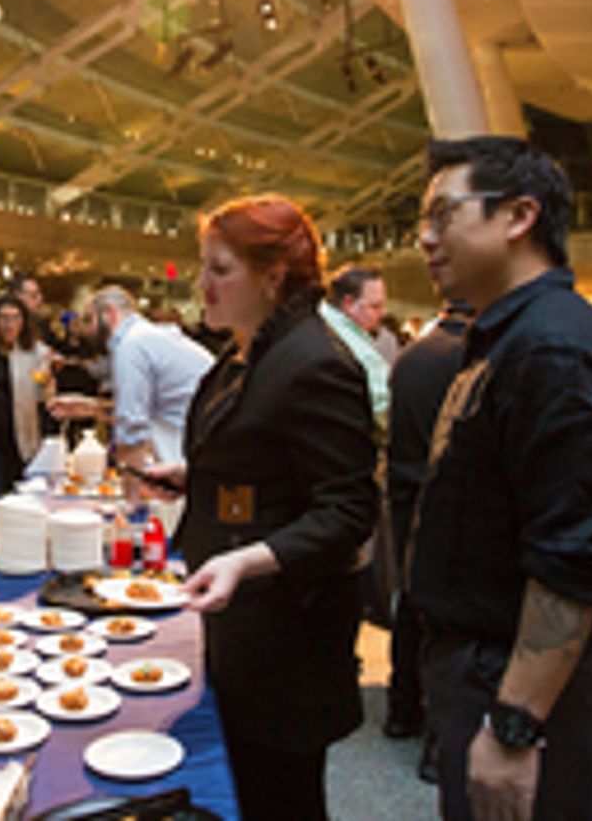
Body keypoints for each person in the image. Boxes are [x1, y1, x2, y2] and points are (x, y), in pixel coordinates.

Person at [411, 136, 592, 821]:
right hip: (485, 667)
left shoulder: (555, 347)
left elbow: (573, 557)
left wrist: (515, 725)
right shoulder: (511, 335)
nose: (426, 238)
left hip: (523, 685)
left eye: (443, 214)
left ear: (518, 216)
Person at [148, 195, 378, 820]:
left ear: (271, 277)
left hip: (288, 642)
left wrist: (247, 560)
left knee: (282, 799)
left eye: (220, 270)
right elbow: (270, 460)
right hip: (244, 629)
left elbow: (348, 509)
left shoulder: (316, 362)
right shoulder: (249, 350)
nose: (203, 285)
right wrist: (199, 476)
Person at [384, 299, 472, 783]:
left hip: (403, 491)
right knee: (443, 616)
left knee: (409, 604)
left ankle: (401, 709)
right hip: (449, 501)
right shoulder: (476, 360)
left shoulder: (411, 357)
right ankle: (438, 741)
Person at [49, 285, 212, 476]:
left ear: (109, 313)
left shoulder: (130, 344)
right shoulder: (147, 336)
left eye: (89, 319)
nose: (87, 330)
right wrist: (91, 408)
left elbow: (132, 432)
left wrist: (131, 495)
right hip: (196, 456)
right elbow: (146, 408)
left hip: (190, 461)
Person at [0, 295, 49, 496]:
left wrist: (48, 381)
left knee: (23, 495)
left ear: (24, 322)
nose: (10, 325)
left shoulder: (36, 352)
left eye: (16, 318)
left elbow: (45, 398)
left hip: (22, 437)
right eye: (4, 318)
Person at [320, 266, 391, 432]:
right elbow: (383, 407)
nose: (383, 313)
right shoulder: (354, 347)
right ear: (349, 304)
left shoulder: (319, 323)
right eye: (375, 306)